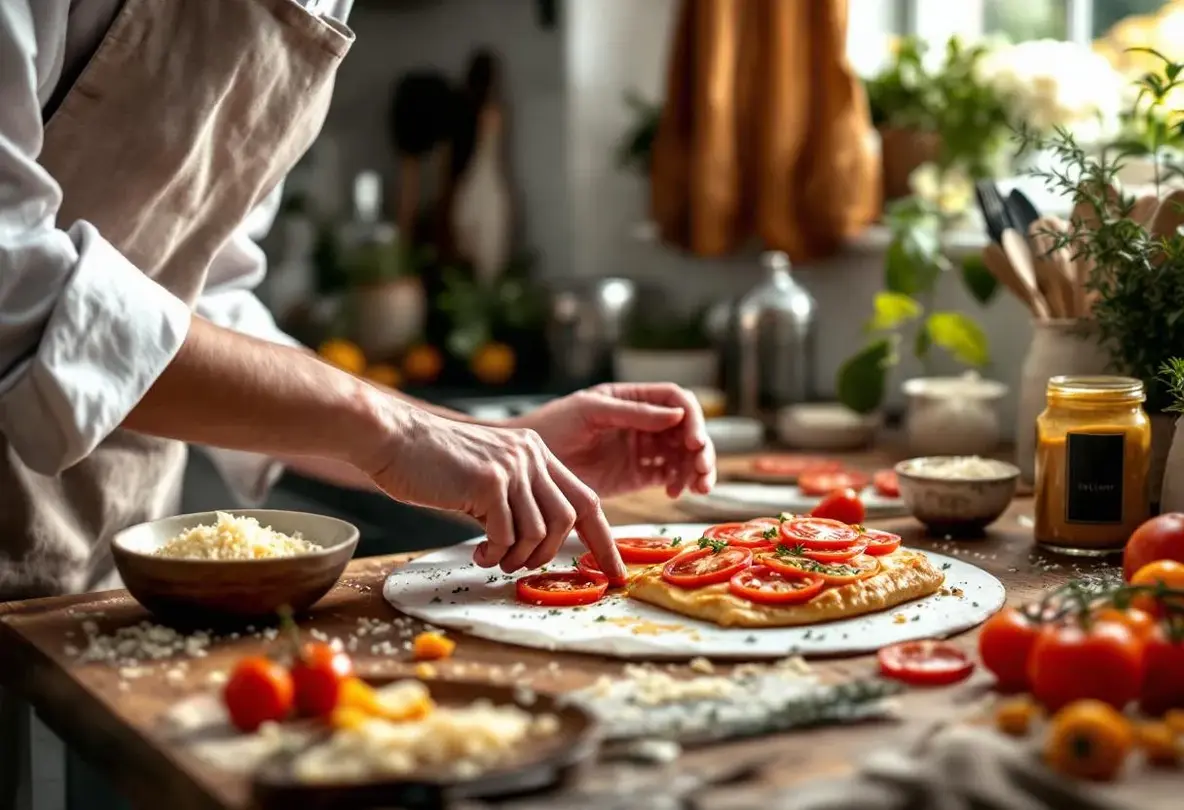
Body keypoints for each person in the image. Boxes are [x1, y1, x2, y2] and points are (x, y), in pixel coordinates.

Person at [0, 0, 718, 605]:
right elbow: (18, 287)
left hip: (95, 564)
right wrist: (394, 430)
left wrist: (498, 441)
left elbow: (201, 302)